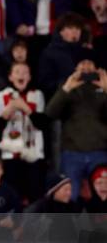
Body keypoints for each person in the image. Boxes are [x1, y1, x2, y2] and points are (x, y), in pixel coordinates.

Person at [45, 56, 107, 199]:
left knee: (102, 197)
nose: (86, 67)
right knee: (70, 195)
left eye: (90, 63)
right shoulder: (67, 86)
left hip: (100, 153)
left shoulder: (104, 87)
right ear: (75, 68)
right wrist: (67, 88)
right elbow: (50, 113)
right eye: (82, 63)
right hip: (72, 154)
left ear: (97, 68)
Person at [0, 61, 48, 202]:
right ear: (10, 77)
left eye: (25, 72)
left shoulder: (37, 95)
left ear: (30, 77)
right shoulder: (1, 96)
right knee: (13, 196)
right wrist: (10, 108)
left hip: (34, 154)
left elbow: (42, 124)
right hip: (10, 156)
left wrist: (25, 107)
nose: (21, 75)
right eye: (17, 72)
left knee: (35, 197)